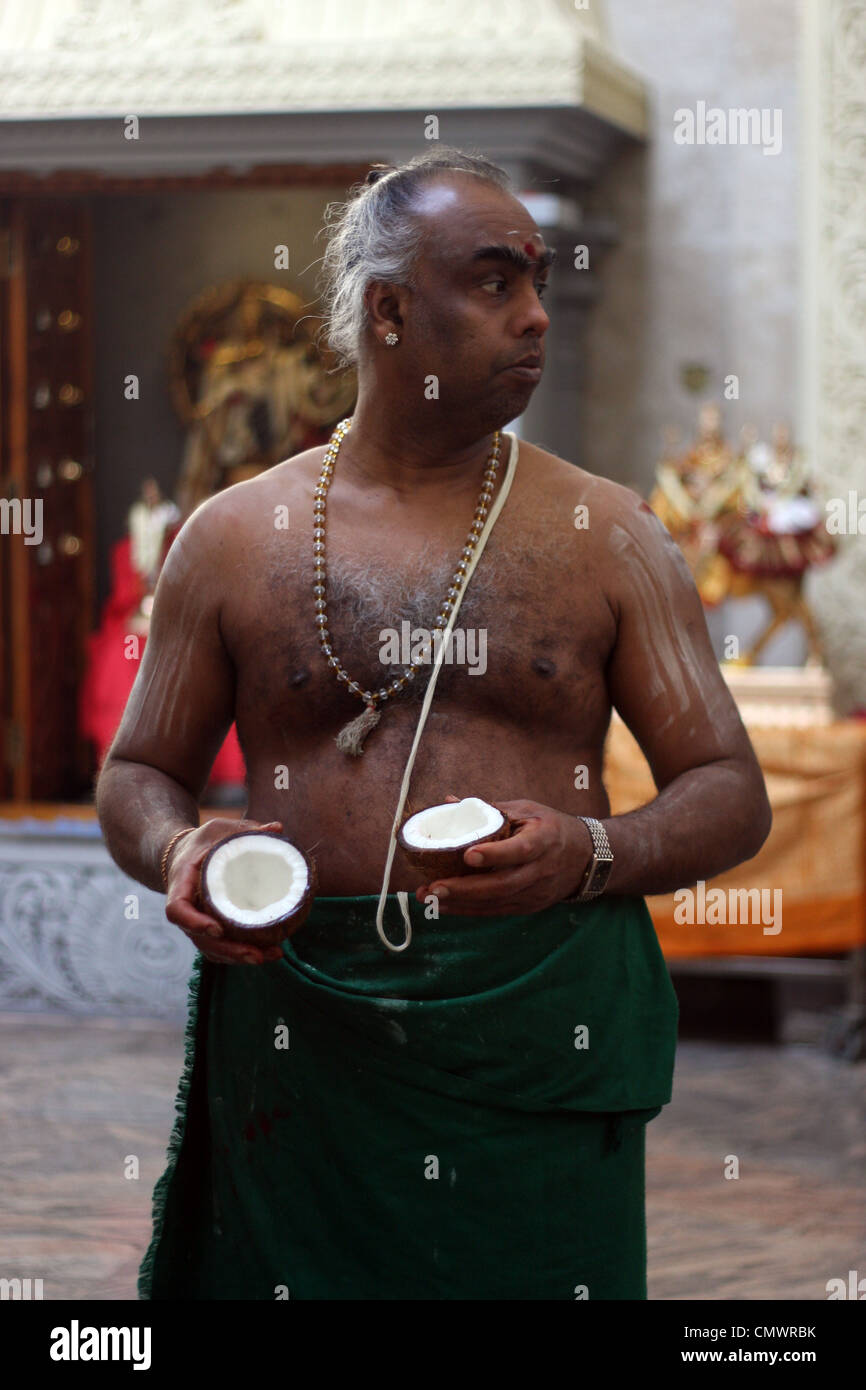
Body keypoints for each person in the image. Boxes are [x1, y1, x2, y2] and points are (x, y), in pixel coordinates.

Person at [96, 147, 772, 1301]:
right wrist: (184, 850)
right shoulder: (231, 536)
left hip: (535, 1038)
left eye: (539, 283)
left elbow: (726, 790)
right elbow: (139, 774)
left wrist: (591, 853)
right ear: (390, 310)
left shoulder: (608, 535)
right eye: (495, 282)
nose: (536, 318)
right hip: (304, 1043)